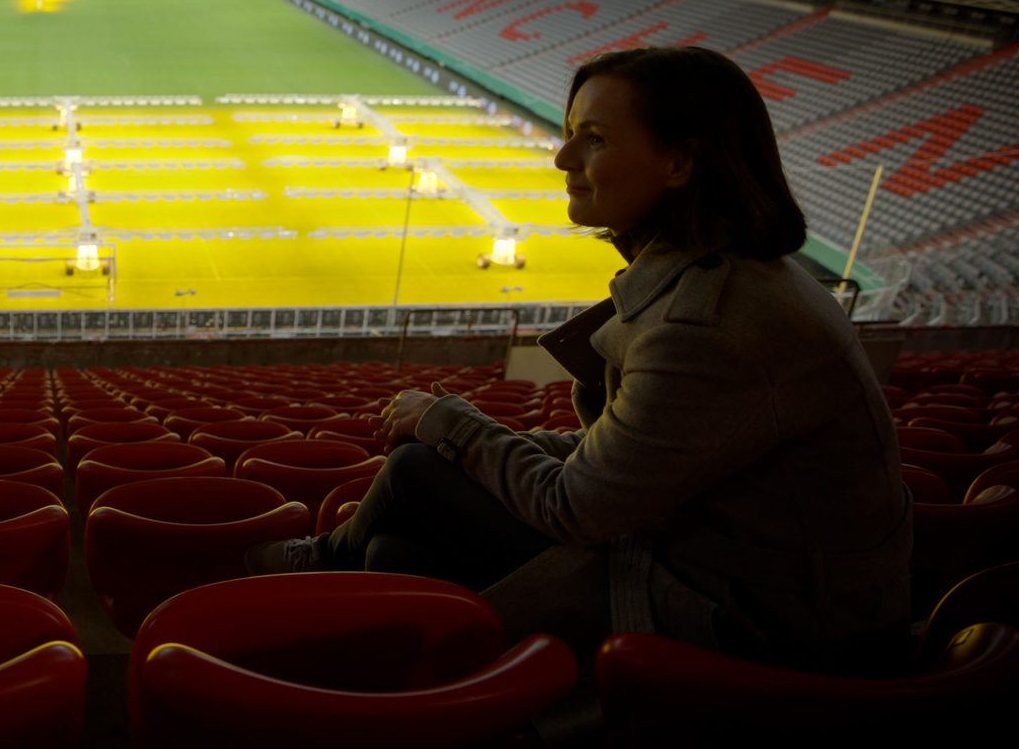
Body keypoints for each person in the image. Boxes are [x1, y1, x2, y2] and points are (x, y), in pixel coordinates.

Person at [248, 46, 910, 678]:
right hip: (738, 577)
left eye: (593, 139)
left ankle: (315, 577)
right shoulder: (738, 278)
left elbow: (576, 507)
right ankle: (372, 665)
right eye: (571, 134)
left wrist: (449, 425)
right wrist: (470, 438)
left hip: (767, 625)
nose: (563, 157)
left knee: (417, 469)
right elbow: (626, 458)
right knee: (398, 550)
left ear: (680, 163)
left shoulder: (706, 327)